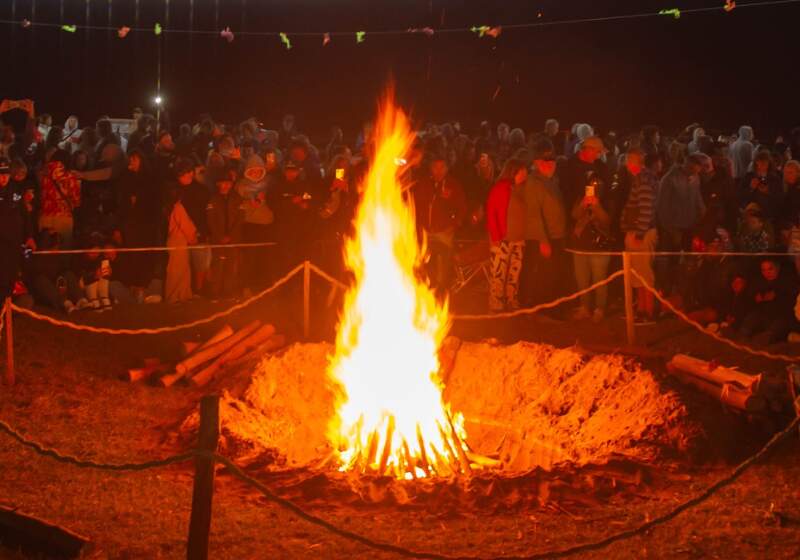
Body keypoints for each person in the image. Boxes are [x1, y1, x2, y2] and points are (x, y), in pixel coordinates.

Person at [565, 137, 614, 322]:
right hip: (580, 238)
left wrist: (598, 207)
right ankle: (585, 306)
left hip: (599, 240)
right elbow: (574, 214)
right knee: (582, 277)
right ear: (587, 149)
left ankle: (599, 308)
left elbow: (608, 220)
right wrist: (582, 205)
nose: (599, 155)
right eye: (597, 151)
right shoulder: (571, 168)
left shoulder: (603, 172)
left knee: (599, 277)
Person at [519, 139, 566, 307]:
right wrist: (543, 241)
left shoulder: (552, 181)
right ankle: (540, 308)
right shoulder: (533, 183)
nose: (550, 163)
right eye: (545, 160)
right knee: (542, 276)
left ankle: (549, 306)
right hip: (542, 238)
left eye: (552, 159)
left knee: (551, 275)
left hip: (555, 236)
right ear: (537, 162)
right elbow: (534, 215)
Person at [412, 154, 468, 292]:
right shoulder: (424, 184)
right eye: (435, 167)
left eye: (442, 167)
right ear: (431, 168)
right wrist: (418, 224)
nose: (438, 171)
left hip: (444, 233)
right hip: (425, 232)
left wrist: (454, 223)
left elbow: (462, 207)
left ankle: (442, 293)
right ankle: (427, 291)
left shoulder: (453, 185)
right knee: (425, 263)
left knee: (444, 266)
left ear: (446, 169)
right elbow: (416, 204)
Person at [655, 154, 706, 295]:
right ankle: (667, 291)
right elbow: (661, 207)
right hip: (672, 228)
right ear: (687, 164)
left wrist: (703, 212)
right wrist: (671, 230)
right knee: (671, 261)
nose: (695, 172)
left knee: (687, 262)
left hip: (689, 227)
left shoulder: (695, 178)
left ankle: (683, 292)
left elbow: (697, 198)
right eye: (693, 169)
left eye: (697, 170)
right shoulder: (670, 179)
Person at [620, 148, 659, 323]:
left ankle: (647, 312)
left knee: (644, 273)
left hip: (641, 232)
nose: (627, 164)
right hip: (638, 231)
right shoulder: (642, 178)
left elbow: (646, 208)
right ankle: (641, 309)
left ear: (635, 162)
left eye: (629, 160)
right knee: (637, 273)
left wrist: (640, 233)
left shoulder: (643, 180)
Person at [485, 158, 528, 312]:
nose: (525, 174)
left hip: (519, 238)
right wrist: (495, 236)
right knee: (498, 273)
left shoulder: (523, 189)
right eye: (522, 171)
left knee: (514, 273)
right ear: (514, 172)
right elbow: (491, 212)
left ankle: (511, 299)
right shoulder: (501, 188)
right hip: (502, 239)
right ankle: (496, 302)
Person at [737, 258, 798, 343]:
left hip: (781, 318)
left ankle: (765, 338)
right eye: (763, 270)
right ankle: (743, 336)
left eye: (770, 269)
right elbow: (751, 300)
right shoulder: (760, 282)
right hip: (765, 318)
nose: (767, 273)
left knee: (779, 325)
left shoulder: (787, 282)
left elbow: (790, 305)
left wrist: (776, 297)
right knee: (752, 318)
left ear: (777, 268)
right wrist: (757, 299)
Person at [207, 165, 244, 299]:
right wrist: (219, 236)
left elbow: (240, 219)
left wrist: (231, 236)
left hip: (233, 239)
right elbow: (211, 220)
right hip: (217, 240)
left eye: (228, 183)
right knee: (217, 265)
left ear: (231, 184)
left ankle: (228, 292)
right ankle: (215, 293)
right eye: (222, 183)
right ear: (218, 184)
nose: (225, 186)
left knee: (231, 265)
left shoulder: (237, 198)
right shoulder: (213, 199)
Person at [38, 150, 81, 248]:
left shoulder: (42, 174)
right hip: (63, 216)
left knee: (46, 248)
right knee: (63, 249)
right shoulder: (69, 176)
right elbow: (76, 199)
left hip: (45, 216)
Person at [0, 158, 24, 303]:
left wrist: (28, 236)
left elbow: (23, 214)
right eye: (1, 174)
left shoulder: (15, 189)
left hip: (13, 242)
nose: (3, 178)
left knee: (9, 277)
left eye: (6, 174)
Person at [739, 149, 782, 222]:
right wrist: (751, 188)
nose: (762, 166)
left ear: (769, 164)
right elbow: (740, 195)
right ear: (756, 163)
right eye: (760, 162)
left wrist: (768, 191)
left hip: (768, 215)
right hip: (751, 214)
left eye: (764, 163)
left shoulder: (775, 179)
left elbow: (779, 198)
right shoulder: (749, 177)